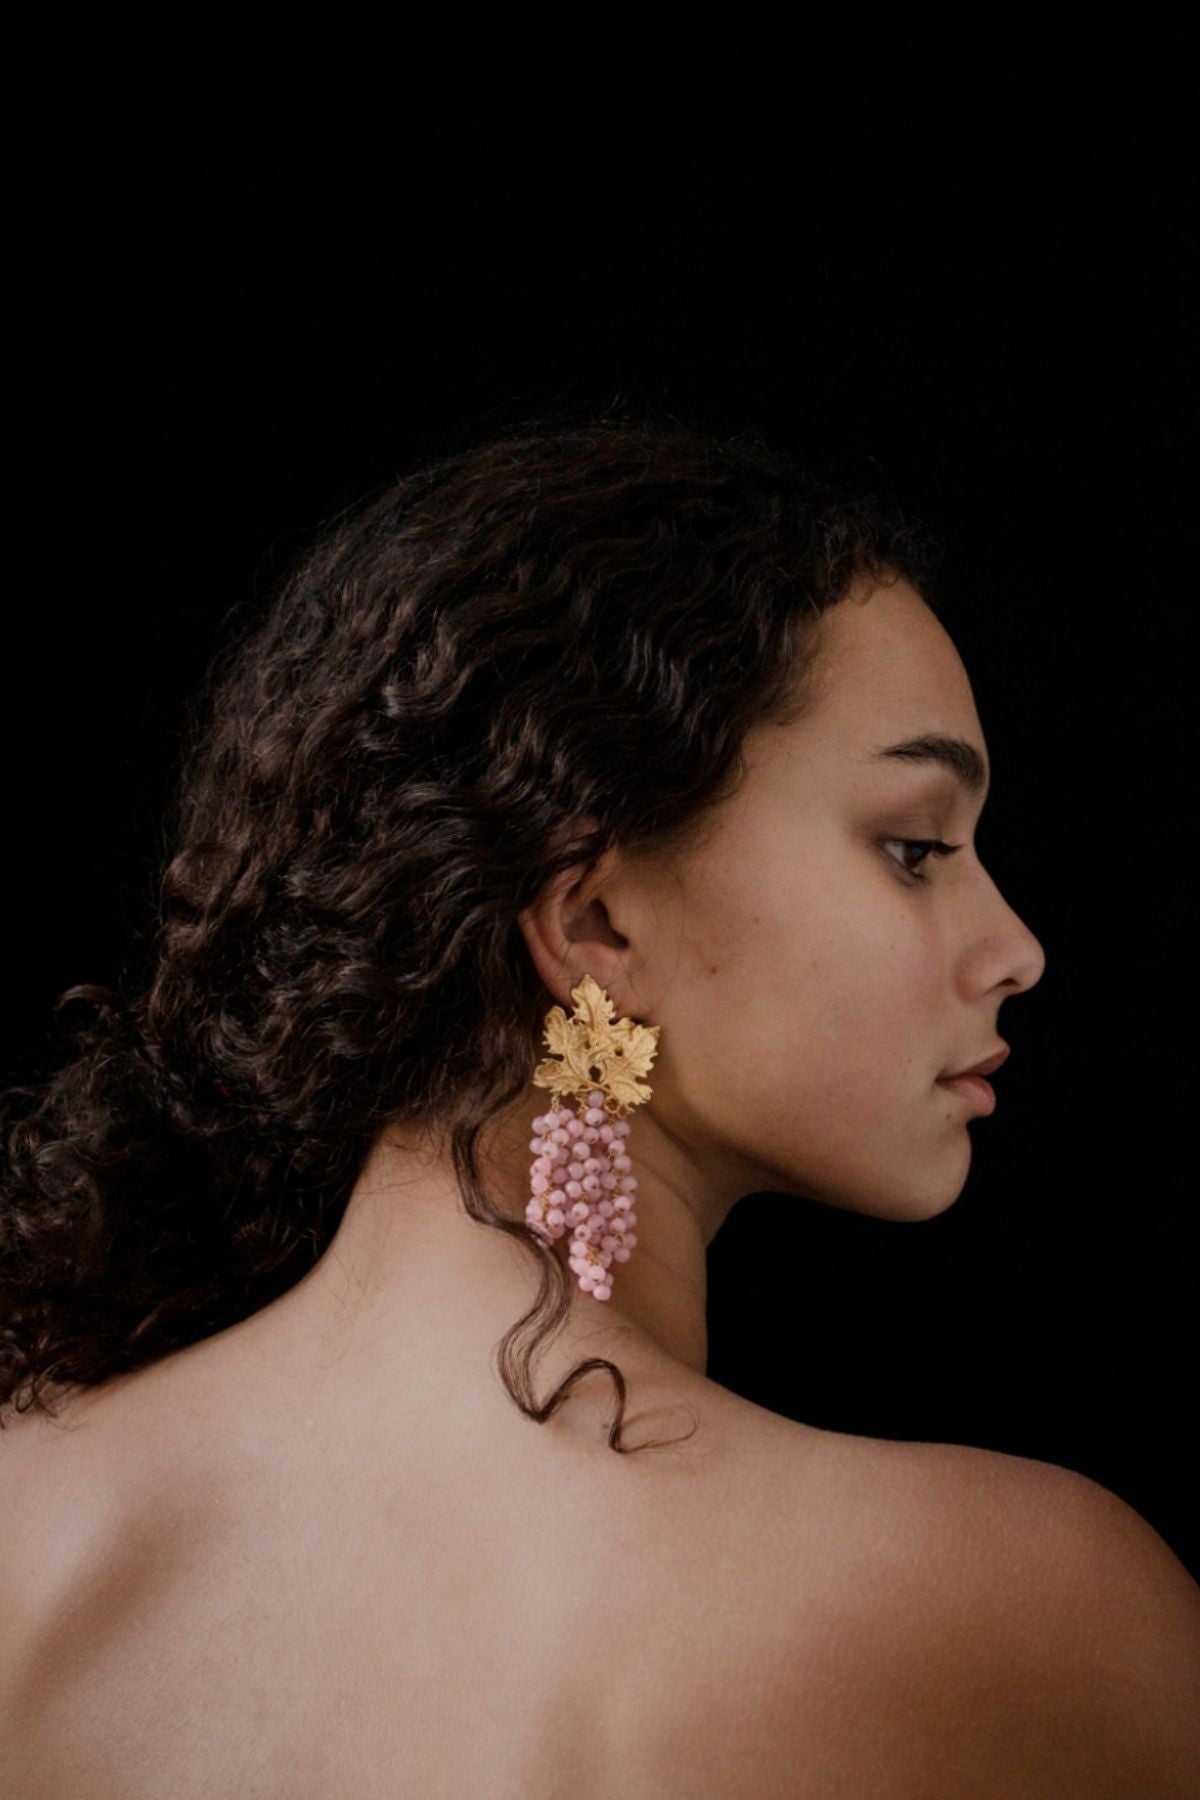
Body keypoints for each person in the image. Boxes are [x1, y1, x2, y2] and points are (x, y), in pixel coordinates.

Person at [2, 411, 1197, 1796]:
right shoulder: (1024, 1608)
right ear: (595, 921)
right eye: (917, 848)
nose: (1017, 949)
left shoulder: (35, 1530)